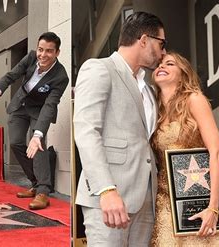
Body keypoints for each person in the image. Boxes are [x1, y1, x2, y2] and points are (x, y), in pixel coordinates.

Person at [74, 12, 166, 245]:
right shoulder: (99, 68)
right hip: (109, 197)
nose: (163, 52)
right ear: (144, 40)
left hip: (145, 200)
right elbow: (86, 131)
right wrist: (106, 190)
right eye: (161, 43)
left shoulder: (148, 88)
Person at [0, 32, 69, 210]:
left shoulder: (61, 76)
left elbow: (50, 105)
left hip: (40, 110)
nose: (43, 55)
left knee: (38, 143)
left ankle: (43, 191)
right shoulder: (30, 57)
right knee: (16, 143)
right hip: (21, 104)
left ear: (57, 53)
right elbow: (12, 75)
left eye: (49, 51)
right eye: (41, 49)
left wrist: (38, 134)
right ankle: (35, 182)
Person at [151, 52, 219, 245]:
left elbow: (217, 152)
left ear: (183, 73)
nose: (162, 67)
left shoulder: (194, 99)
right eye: (159, 64)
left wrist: (213, 207)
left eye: (169, 64)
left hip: (198, 197)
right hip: (165, 201)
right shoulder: (153, 108)